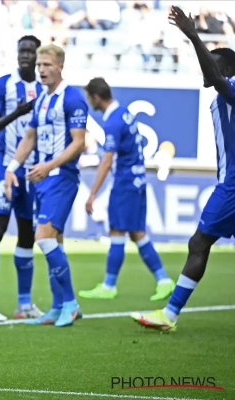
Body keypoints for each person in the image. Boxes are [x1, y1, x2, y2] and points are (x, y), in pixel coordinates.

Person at [133, 6, 235, 332]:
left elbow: (216, 78)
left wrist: (192, 35)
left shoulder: (231, 88)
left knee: (199, 243)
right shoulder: (222, 97)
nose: (205, 69)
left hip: (232, 187)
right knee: (199, 243)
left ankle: (170, 314)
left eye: (213, 63)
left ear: (228, 69)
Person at [4, 44, 88, 327]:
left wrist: (49, 166)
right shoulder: (41, 98)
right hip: (41, 178)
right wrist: (12, 168)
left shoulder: (73, 98)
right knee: (55, 242)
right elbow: (29, 137)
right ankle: (57, 306)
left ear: (60, 66)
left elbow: (79, 142)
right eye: (39, 65)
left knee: (44, 238)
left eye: (47, 65)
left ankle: (71, 303)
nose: (41, 70)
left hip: (61, 177)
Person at [79, 77, 175, 301]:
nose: (89, 102)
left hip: (125, 183)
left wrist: (92, 193)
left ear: (96, 97)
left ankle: (109, 285)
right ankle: (163, 280)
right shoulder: (124, 113)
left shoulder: (113, 121)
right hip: (137, 181)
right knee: (137, 233)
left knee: (116, 231)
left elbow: (107, 160)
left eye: (89, 98)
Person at [0, 35, 45, 321]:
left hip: (33, 171)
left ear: (38, 56)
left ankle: (24, 304)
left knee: (28, 235)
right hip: (4, 167)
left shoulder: (44, 89)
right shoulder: (2, 85)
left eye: (30, 51)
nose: (25, 55)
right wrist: (17, 112)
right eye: (22, 51)